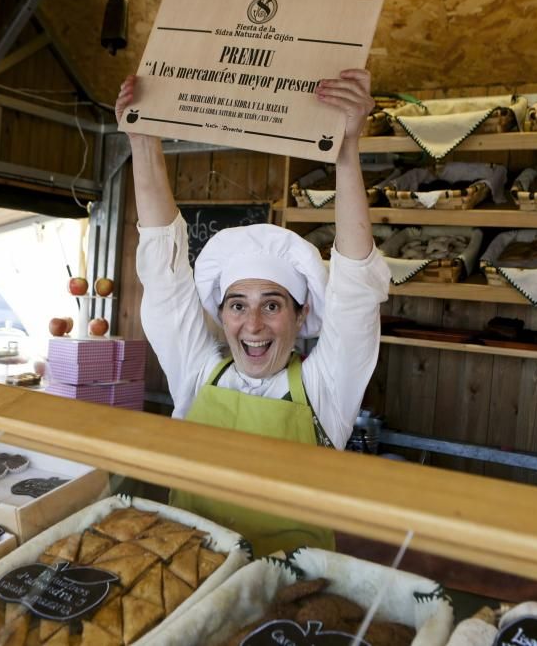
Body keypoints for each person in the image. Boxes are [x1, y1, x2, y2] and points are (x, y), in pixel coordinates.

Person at [116, 69, 391, 556]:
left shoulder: (327, 387)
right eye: (238, 306)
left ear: (301, 315)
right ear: (221, 315)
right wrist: (142, 138)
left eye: (272, 305)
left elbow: (354, 288)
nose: (254, 325)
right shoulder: (197, 371)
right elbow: (164, 268)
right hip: (190, 572)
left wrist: (346, 149)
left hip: (283, 591)